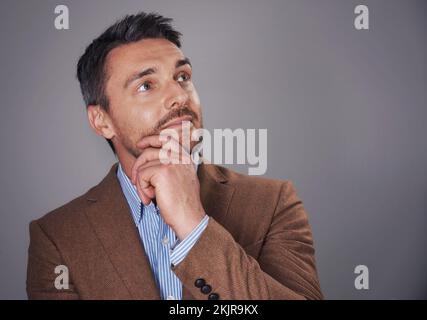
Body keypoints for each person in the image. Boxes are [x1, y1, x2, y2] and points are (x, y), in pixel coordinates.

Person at [26, 12, 322, 300]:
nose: (180, 96)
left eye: (182, 77)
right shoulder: (58, 237)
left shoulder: (273, 203)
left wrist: (194, 227)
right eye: (146, 85)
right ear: (101, 120)